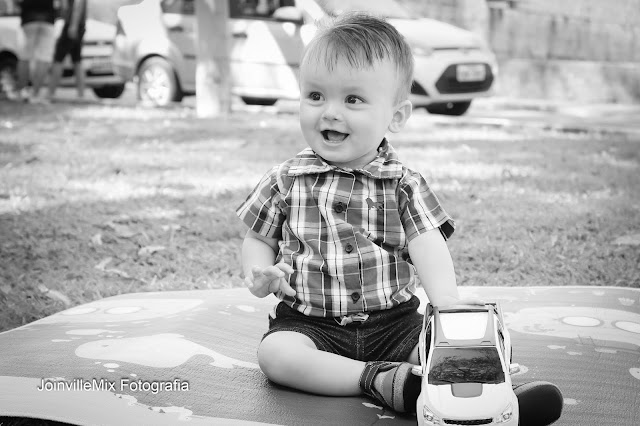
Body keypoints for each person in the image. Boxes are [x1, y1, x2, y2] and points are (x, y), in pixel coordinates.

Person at [237, 12, 563, 425]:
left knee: (456, 346)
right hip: (310, 325)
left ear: (396, 116)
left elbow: (427, 241)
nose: (330, 112)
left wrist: (446, 301)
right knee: (276, 356)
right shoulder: (285, 179)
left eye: (352, 100)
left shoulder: (402, 183)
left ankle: (494, 397)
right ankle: (383, 381)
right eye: (315, 96)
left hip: (394, 325)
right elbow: (258, 238)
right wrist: (259, 273)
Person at [12, 0, 56, 103]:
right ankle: (35, 93)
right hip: (48, 20)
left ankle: (22, 91)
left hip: (29, 19)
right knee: (43, 57)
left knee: (25, 56)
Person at [48, 0, 87, 100]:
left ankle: (51, 93)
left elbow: (78, 4)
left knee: (58, 59)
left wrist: (73, 25)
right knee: (77, 60)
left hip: (72, 25)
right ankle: (81, 94)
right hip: (78, 25)